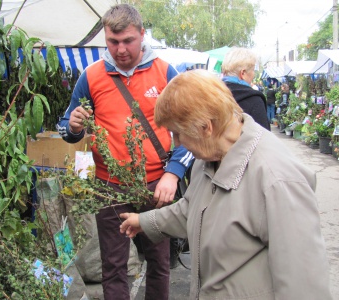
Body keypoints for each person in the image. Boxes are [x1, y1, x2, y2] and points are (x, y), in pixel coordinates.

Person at [119, 70, 333, 300]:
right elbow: (192, 209)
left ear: (205, 127)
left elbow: (304, 285)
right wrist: (144, 221)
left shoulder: (276, 178)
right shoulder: (209, 156)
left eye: (178, 133)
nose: (176, 143)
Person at [56, 4, 193, 300]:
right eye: (112, 41)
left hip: (157, 187)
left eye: (128, 40)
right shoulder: (90, 77)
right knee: (114, 266)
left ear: (142, 35)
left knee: (159, 263)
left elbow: (188, 129)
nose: (120, 49)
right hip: (110, 189)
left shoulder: (165, 72)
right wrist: (75, 125)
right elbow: (66, 128)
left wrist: (173, 173)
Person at [221, 47, 270, 130]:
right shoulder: (254, 100)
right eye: (253, 70)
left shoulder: (211, 95)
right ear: (243, 73)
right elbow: (264, 139)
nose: (254, 74)